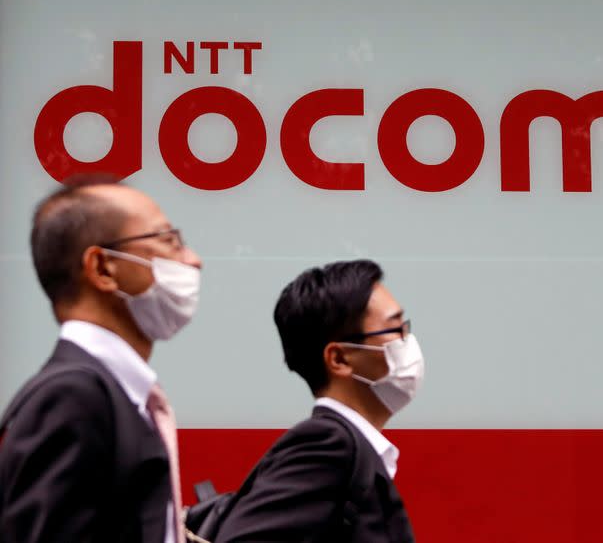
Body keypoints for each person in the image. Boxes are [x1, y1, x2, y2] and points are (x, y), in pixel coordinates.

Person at [0, 177, 202, 542]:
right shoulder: (72, 398)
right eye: (168, 240)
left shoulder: (118, 395)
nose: (193, 260)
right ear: (103, 268)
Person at [217, 259, 421, 543]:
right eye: (395, 330)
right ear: (339, 359)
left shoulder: (356, 451)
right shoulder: (330, 444)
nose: (408, 341)